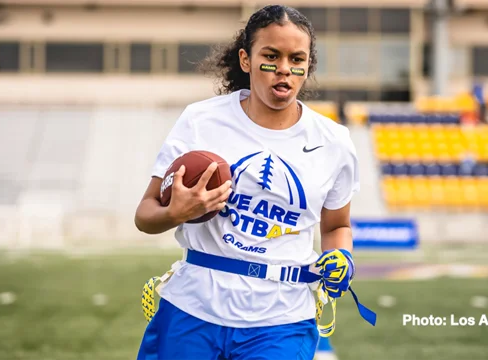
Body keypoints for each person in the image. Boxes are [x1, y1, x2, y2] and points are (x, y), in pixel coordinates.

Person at [134, 5, 373, 360]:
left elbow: (337, 225)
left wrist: (342, 256)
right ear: (246, 60)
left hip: (283, 318)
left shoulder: (334, 142)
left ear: (308, 66)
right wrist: (178, 212)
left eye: (297, 59)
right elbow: (145, 215)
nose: (284, 70)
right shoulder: (201, 121)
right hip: (192, 307)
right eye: (271, 56)